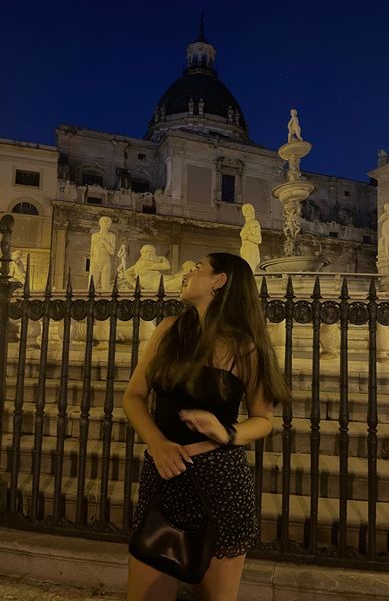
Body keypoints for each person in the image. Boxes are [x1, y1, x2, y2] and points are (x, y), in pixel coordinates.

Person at [124, 252, 289, 601]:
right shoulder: (169, 330)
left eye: (197, 267)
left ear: (219, 281)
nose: (188, 271)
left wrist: (227, 432)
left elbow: (263, 420)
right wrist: (156, 442)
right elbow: (134, 396)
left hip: (219, 482)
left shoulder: (246, 348)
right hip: (163, 475)